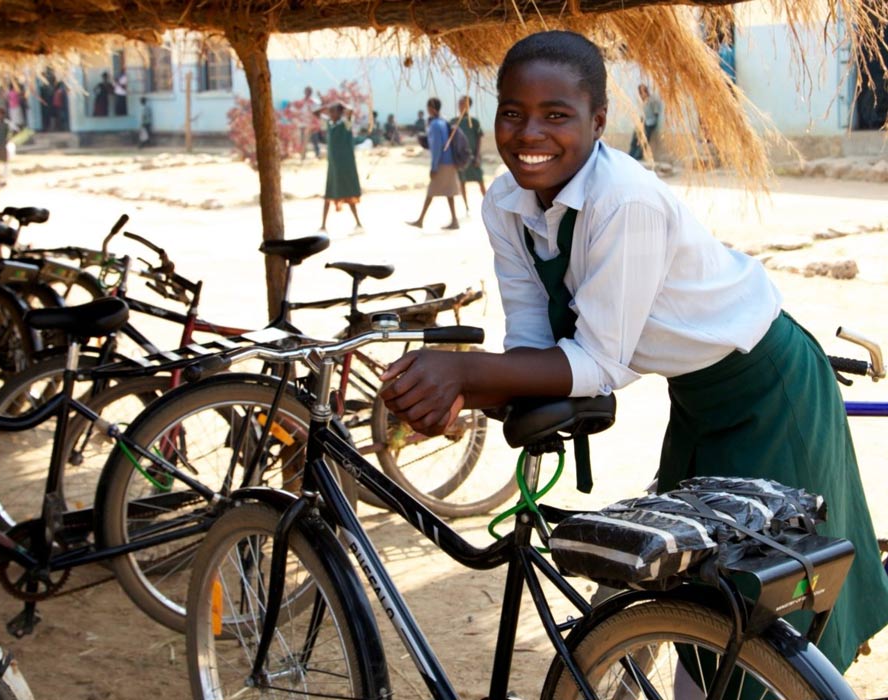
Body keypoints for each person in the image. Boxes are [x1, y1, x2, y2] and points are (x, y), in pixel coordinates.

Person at [379, 29, 888, 680]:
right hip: (699, 401)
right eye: (512, 111)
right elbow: (535, 340)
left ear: (599, 122)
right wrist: (457, 392)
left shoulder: (624, 200)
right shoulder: (505, 203)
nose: (529, 133)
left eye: (556, 115)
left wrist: (466, 372)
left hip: (770, 389)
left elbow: (597, 366)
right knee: (697, 596)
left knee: (755, 618)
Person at [407, 97, 460, 230]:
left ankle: (420, 220)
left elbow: (437, 147)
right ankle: (454, 220)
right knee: (448, 191)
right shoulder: (443, 121)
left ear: (431, 108)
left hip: (442, 163)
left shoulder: (435, 125)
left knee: (432, 191)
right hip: (449, 161)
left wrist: (434, 167)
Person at [319, 102, 362, 232]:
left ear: (340, 112)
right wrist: (327, 107)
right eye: (330, 112)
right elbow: (316, 113)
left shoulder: (346, 124)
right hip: (333, 166)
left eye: (334, 111)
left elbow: (351, 111)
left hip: (345, 166)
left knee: (348, 194)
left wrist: (342, 106)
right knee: (329, 194)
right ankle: (323, 225)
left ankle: (358, 223)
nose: (331, 114)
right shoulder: (330, 124)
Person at [451, 95, 487, 213]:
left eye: (463, 103)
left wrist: (477, 156)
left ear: (468, 106)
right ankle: (466, 206)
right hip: (461, 158)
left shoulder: (474, 122)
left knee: (480, 181)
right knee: (462, 182)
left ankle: (488, 205)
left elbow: (479, 139)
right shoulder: (454, 122)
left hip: (473, 157)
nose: (460, 106)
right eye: (459, 103)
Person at [627, 82, 662, 162]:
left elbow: (656, 113)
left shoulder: (652, 100)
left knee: (644, 140)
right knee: (635, 137)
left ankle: (637, 157)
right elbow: (642, 114)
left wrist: (653, 124)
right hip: (643, 122)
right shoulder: (642, 101)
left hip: (650, 123)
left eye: (643, 91)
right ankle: (630, 156)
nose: (642, 93)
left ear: (646, 91)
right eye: (640, 92)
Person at [296, 86, 320, 160]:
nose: (307, 93)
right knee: (303, 140)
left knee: (314, 140)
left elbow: (316, 113)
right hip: (303, 124)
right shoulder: (301, 102)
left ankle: (317, 154)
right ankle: (303, 156)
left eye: (308, 91)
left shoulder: (313, 102)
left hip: (312, 125)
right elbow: (298, 112)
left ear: (310, 93)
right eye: (306, 91)